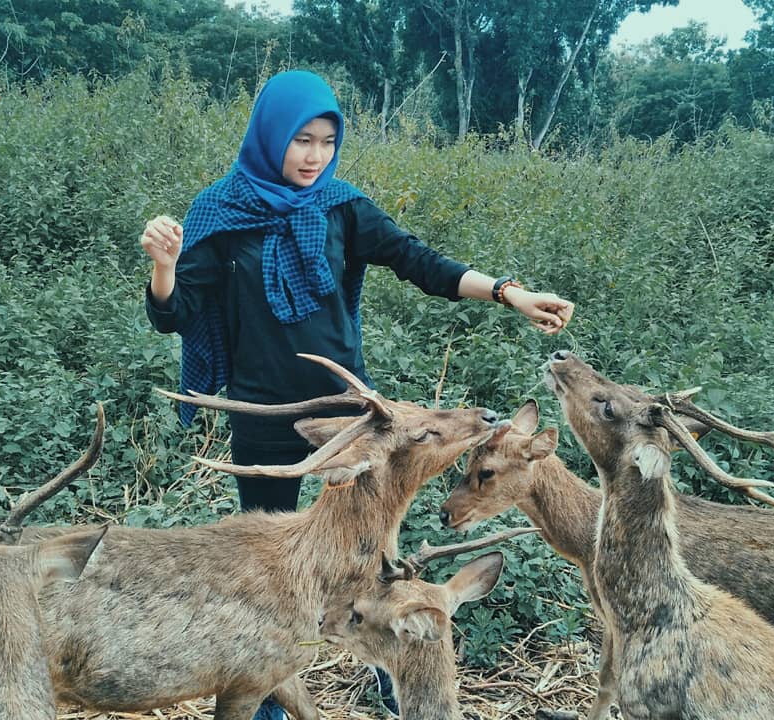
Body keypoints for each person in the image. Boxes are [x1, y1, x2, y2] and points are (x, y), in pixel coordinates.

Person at [142, 70, 573, 720]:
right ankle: (266, 704)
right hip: (267, 417)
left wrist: (509, 292)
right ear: (269, 137)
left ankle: (393, 686)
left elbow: (416, 260)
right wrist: (166, 267)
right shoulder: (221, 214)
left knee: (374, 559)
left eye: (325, 140)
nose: (313, 156)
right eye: (300, 140)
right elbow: (174, 316)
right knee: (271, 577)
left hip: (357, 420)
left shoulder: (341, 205)